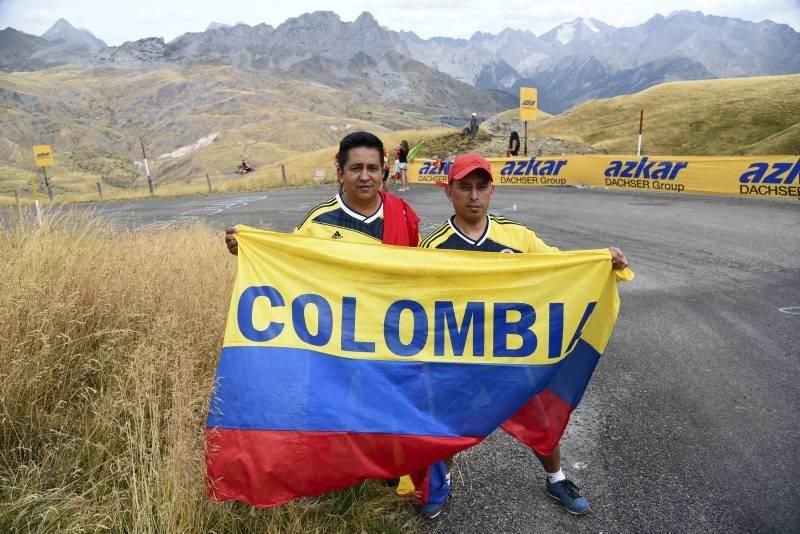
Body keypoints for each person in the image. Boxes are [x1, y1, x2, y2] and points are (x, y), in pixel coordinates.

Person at [416, 153, 629, 518]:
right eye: (464, 187)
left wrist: (598, 261)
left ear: (492, 191)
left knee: (539, 419)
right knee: (449, 422)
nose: (473, 196)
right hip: (459, 353)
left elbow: (558, 266)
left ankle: (556, 477)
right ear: (448, 192)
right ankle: (441, 483)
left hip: (513, 352)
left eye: (481, 187)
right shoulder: (432, 246)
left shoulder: (517, 236)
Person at [225, 131, 420, 253]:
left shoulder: (402, 216)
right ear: (340, 174)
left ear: (382, 173)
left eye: (372, 168)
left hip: (391, 318)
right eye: (356, 168)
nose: (364, 176)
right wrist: (249, 247)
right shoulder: (318, 221)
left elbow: (421, 267)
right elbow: (288, 260)